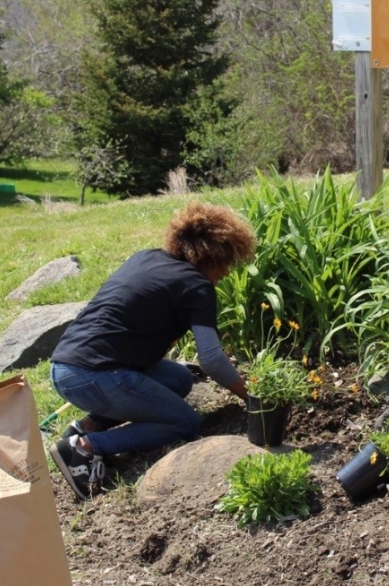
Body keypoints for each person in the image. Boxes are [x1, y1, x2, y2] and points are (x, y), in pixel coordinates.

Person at [48, 202, 256, 500]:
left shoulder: (147, 258)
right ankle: (85, 448)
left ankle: (87, 425)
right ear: (213, 256)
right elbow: (211, 360)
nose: (225, 274)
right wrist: (251, 396)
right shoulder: (197, 286)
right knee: (184, 423)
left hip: (65, 367)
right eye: (225, 264)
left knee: (179, 381)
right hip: (95, 376)